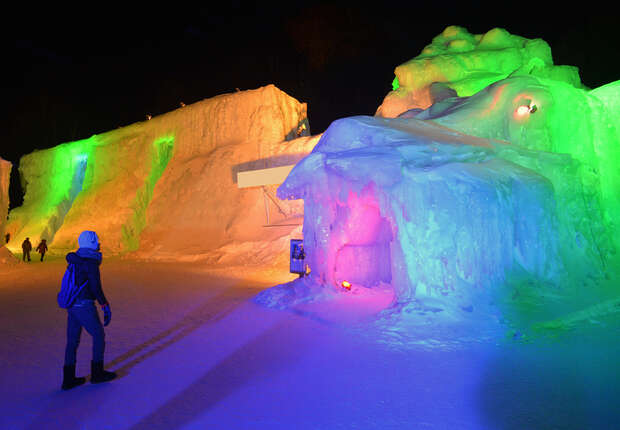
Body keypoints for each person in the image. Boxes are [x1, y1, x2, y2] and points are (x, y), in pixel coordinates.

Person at [61, 230, 116, 390]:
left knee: (72, 341)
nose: (99, 243)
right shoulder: (90, 262)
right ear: (91, 243)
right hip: (84, 304)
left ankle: (68, 378)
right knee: (98, 335)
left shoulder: (76, 260)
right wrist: (104, 304)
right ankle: (97, 373)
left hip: (72, 304)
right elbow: (95, 287)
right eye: (97, 241)